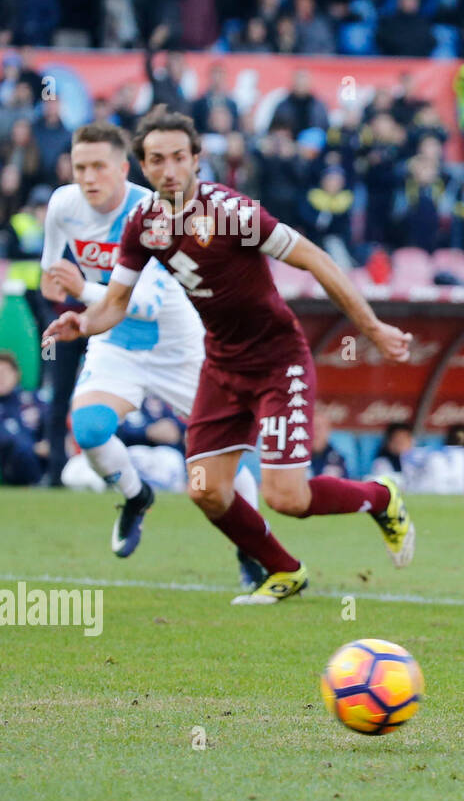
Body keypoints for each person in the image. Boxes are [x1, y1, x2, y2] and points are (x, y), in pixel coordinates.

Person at [42, 106, 416, 604]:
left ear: (197, 159)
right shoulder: (144, 224)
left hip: (277, 361)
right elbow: (116, 302)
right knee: (204, 489)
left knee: (288, 498)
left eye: (179, 157)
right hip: (220, 365)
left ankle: (381, 497)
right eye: (157, 159)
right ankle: (283, 570)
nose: (170, 169)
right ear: (144, 167)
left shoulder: (232, 214)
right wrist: (82, 323)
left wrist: (371, 327)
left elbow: (316, 258)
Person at [37, 122, 263, 583]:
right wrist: (59, 289)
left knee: (221, 460)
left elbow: (143, 303)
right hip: (114, 340)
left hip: (176, 343)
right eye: (80, 167)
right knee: (90, 427)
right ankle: (137, 496)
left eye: (99, 166)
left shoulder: (154, 212)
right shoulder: (63, 204)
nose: (89, 177)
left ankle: (251, 548)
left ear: (123, 169)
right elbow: (50, 268)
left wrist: (81, 288)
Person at [0, 348, 44, 485]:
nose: (1, 378)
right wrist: (34, 448)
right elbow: (7, 440)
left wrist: (51, 443)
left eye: (5, 373)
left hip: (46, 458)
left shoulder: (32, 399)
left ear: (16, 374)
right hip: (15, 466)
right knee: (21, 451)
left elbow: (52, 421)